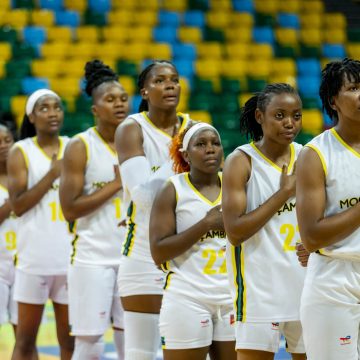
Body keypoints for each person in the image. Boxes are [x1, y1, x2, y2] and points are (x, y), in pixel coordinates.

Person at [222, 83, 306, 360]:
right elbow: (234, 232)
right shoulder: (241, 161)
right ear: (260, 117)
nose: (289, 123)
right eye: (279, 115)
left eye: (296, 115)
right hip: (260, 289)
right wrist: (283, 193)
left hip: (306, 286)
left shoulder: (308, 157)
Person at [115, 60, 191, 360]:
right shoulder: (131, 129)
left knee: (189, 350)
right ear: (144, 91)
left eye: (174, 79)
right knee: (141, 352)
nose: (170, 85)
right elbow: (144, 197)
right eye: (160, 80)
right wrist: (178, 157)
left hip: (189, 254)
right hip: (143, 255)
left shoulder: (195, 128)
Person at [60, 59, 129, 360]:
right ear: (95, 109)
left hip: (132, 258)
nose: (119, 105)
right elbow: (69, 209)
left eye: (124, 99)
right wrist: (115, 185)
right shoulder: (79, 146)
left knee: (135, 342)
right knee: (90, 344)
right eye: (110, 100)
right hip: (92, 258)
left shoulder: (140, 142)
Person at [149, 122, 236, 360]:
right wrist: (205, 224)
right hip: (187, 297)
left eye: (215, 143)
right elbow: (159, 252)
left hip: (232, 298)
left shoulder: (237, 186)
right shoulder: (172, 189)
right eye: (201, 144)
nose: (210, 149)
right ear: (186, 155)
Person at [296, 58, 360, 360]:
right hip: (334, 280)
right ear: (333, 100)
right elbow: (311, 237)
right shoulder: (315, 154)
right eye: (354, 88)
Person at [7, 89, 74, 360]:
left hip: (71, 258)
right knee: (25, 341)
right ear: (31, 116)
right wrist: (51, 175)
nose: (52, 113)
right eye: (44, 108)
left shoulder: (75, 146)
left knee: (70, 343)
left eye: (56, 107)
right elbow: (19, 205)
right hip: (33, 260)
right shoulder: (20, 150)